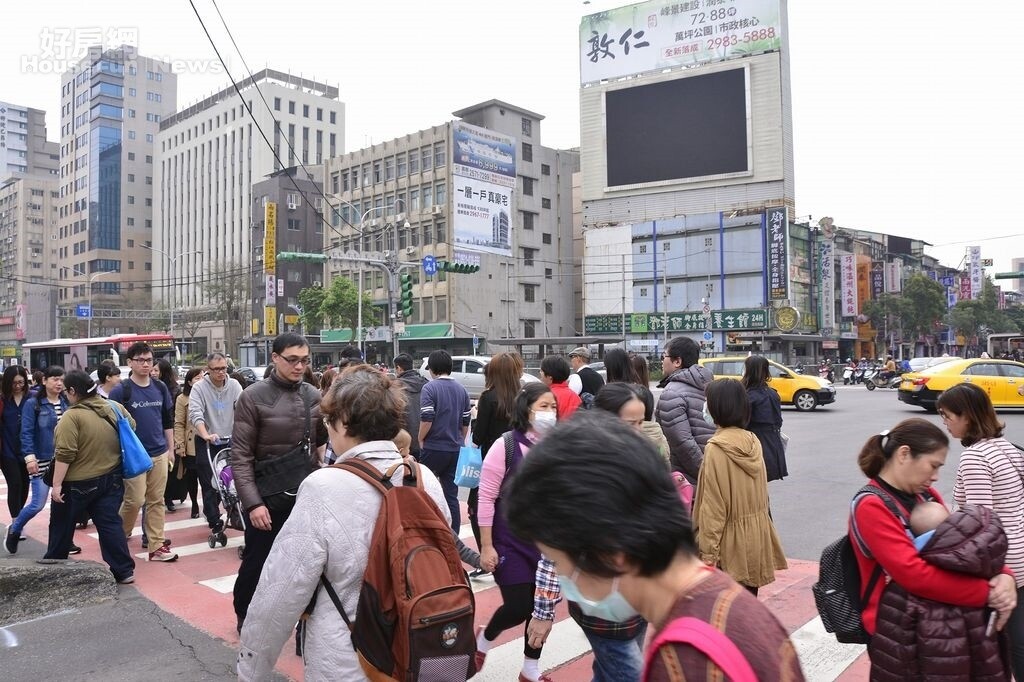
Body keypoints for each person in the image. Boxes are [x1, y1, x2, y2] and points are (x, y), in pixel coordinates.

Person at [503, 412, 805, 680]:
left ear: (611, 554)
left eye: (561, 566)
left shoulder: (681, 661)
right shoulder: (722, 597)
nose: (567, 586)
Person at [237, 366, 450, 681]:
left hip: (348, 655)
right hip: (419, 645)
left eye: (327, 422)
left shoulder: (323, 487)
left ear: (344, 422)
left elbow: (281, 591)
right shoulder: (422, 477)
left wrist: (251, 669)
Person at [850, 418, 1017, 677]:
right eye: (933, 466)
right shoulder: (871, 506)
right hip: (898, 629)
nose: (936, 476)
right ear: (904, 454)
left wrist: (1004, 575)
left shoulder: (926, 497)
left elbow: (965, 545)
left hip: (939, 623)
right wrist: (988, 593)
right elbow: (914, 575)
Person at [231, 332, 328, 633]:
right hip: (267, 497)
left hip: (306, 493)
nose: (299, 367)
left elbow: (322, 442)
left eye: (304, 361)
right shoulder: (253, 396)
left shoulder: (313, 395)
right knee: (258, 561)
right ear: (274, 358)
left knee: (308, 563)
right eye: (292, 360)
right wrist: (253, 503)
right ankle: (245, 613)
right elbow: (240, 457)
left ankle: (304, 623)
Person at [937, 382, 1024, 679]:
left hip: (1001, 563)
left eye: (948, 416)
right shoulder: (1006, 447)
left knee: (1002, 646)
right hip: (1021, 553)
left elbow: (979, 523)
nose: (944, 423)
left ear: (968, 417)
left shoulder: (975, 456)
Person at [476, 383, 559, 682]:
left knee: (540, 606)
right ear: (526, 409)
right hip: (508, 540)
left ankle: (530, 668)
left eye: (553, 407)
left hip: (547, 543)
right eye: (543, 406)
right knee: (520, 604)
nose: (550, 413)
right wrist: (487, 546)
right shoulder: (506, 445)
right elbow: (485, 497)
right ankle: (484, 639)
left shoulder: (557, 447)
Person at [41, 371, 136, 583]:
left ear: (73, 391)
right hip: (111, 477)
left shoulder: (72, 417)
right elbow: (131, 427)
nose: (65, 394)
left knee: (61, 524)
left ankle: (54, 566)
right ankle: (124, 570)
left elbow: (65, 454)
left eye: (66, 391)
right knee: (110, 524)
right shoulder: (113, 407)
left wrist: (56, 485)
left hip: (77, 483)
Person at [694, 379, 786, 595]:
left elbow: (713, 508)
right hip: (754, 542)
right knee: (747, 607)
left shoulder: (716, 449)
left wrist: (708, 555)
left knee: (726, 617)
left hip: (729, 549)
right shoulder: (752, 440)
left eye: (708, 402)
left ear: (717, 407)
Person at [110, 342, 178, 562]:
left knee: (156, 500)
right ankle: (119, 536)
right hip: (133, 456)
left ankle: (156, 546)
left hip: (159, 452)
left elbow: (167, 420)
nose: (146, 364)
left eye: (149, 360)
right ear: (129, 363)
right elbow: (111, 423)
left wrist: (171, 448)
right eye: (141, 360)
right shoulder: (122, 390)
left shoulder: (160, 387)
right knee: (134, 500)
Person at [5, 366, 71, 555]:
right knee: (37, 504)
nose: (59, 383)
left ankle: (61, 542)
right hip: (41, 460)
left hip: (64, 460)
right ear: (44, 381)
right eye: (54, 379)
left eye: (61, 379)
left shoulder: (67, 402)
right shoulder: (33, 403)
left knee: (63, 504)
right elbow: (26, 433)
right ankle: (15, 528)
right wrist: (29, 458)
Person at [470, 351, 523, 575]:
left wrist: (474, 418)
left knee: (479, 504)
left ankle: (487, 552)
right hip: (519, 458)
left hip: (492, 459)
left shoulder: (489, 398)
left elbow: (478, 437)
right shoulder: (524, 396)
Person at [189, 352, 244, 536]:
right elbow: (196, 414)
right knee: (209, 482)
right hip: (208, 440)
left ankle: (235, 512)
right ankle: (214, 518)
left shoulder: (234, 385)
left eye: (223, 368)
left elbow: (243, 410)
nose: (221, 373)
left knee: (233, 480)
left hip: (231, 438)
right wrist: (205, 434)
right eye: (216, 369)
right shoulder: (199, 388)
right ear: (208, 369)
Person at [417, 349, 471, 533]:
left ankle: (427, 532)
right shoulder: (461, 390)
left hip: (433, 447)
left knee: (424, 492)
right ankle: (453, 535)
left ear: (431, 369)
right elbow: (465, 421)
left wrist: (420, 438)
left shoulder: (429, 388)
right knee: (451, 496)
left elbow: (427, 418)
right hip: (455, 448)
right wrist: (460, 440)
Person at [655, 337, 714, 481]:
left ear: (677, 361)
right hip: (714, 465)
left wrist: (705, 474)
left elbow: (682, 443)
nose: (662, 361)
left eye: (664, 357)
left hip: (689, 478)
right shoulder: (710, 385)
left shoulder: (671, 393)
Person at [595, 382, 669, 464]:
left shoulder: (647, 455)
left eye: (641, 422)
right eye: (631, 423)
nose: (639, 430)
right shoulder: (589, 462)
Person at [741, 355, 788, 482]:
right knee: (761, 487)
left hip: (755, 444)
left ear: (748, 371)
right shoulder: (772, 393)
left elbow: (741, 423)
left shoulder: (748, 395)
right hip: (773, 444)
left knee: (752, 487)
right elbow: (778, 421)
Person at [174, 368, 204, 519]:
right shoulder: (182, 398)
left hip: (208, 441)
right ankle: (194, 503)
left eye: (202, 377)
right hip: (191, 443)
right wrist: (179, 444)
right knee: (192, 476)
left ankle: (210, 505)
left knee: (209, 478)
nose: (201, 380)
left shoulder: (209, 394)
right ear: (189, 382)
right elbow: (179, 423)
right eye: (197, 378)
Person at [1, 366, 30, 521]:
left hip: (26, 450)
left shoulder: (31, 398)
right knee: (15, 484)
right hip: (7, 450)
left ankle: (18, 519)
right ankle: (16, 521)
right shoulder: (2, 400)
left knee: (25, 485)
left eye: (21, 382)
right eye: (14, 383)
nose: (18, 386)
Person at [393, 353, 427, 460]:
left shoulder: (395, 387)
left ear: (398, 368)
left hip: (403, 441)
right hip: (425, 438)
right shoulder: (426, 384)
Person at [539, 355, 581, 420]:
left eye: (541, 371)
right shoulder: (575, 397)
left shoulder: (545, 396)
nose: (540, 374)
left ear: (550, 377)